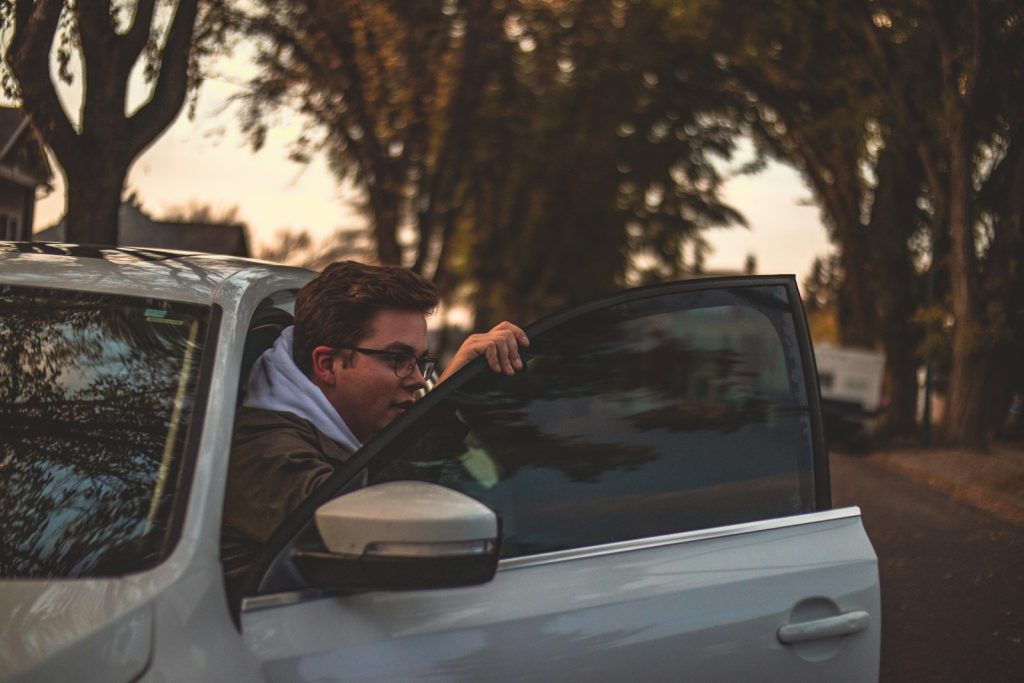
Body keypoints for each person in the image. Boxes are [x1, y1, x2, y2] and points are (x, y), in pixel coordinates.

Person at [221, 261, 528, 586]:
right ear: (327, 364)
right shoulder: (259, 451)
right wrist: (443, 405)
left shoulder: (357, 423)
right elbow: (364, 515)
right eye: (397, 359)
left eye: (420, 362)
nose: (416, 380)